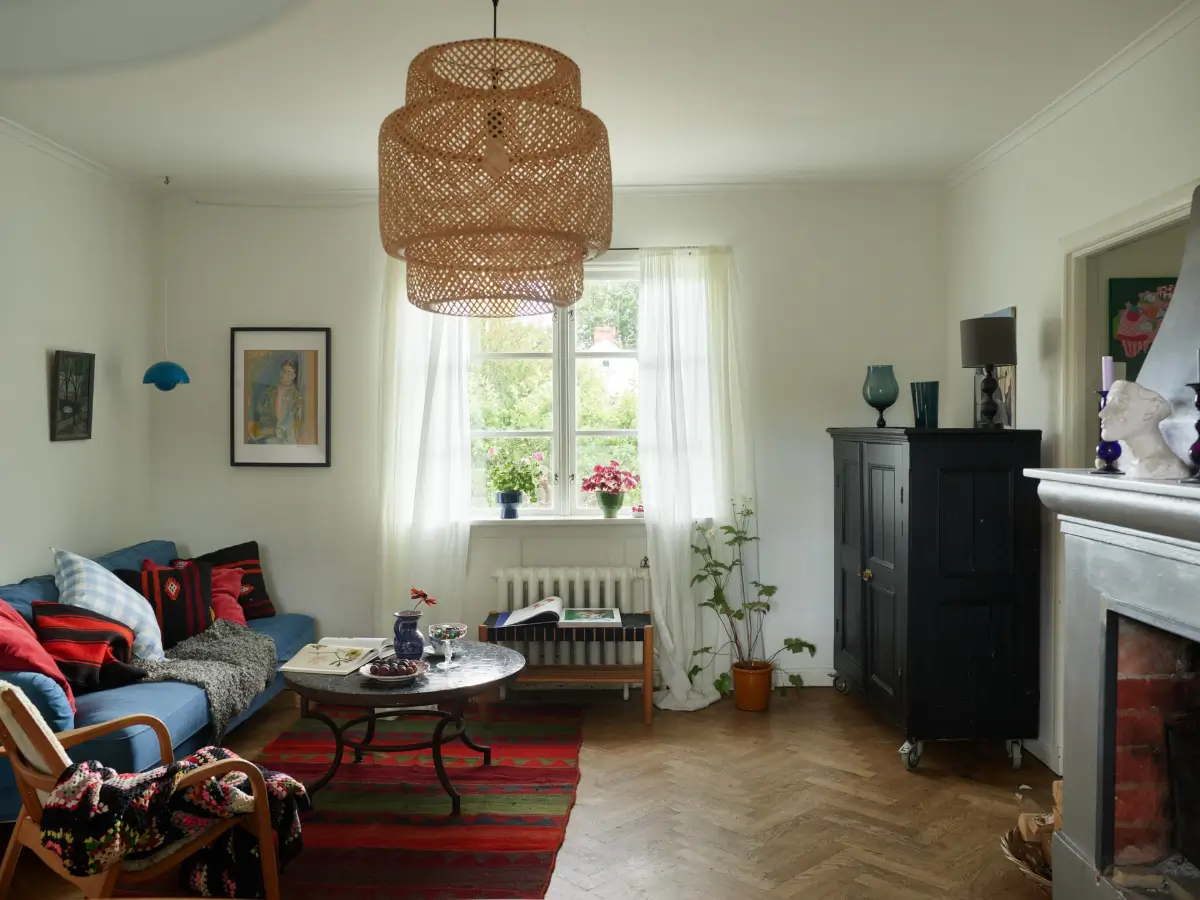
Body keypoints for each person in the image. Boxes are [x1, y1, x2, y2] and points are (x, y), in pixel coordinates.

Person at [1099, 380, 1189, 479]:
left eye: (1119, 403)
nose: (1102, 413)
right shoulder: (1133, 466)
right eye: (1107, 403)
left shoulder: (1164, 469)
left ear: (1151, 409)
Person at [251, 357, 305, 444]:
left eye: (288, 372)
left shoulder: (296, 396)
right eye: (283, 370)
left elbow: (295, 424)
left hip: (287, 439)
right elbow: (259, 413)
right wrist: (263, 430)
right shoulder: (269, 392)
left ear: (294, 376)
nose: (284, 375)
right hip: (267, 435)